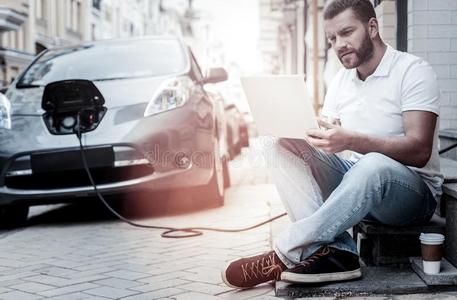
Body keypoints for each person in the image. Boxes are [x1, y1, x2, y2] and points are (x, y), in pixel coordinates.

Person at [222, 0, 443, 289]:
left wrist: (352, 140)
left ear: (372, 27)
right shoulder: (341, 80)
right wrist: (311, 134)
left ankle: (286, 251)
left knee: (372, 164)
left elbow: (419, 150)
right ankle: (339, 253)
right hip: (357, 182)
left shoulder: (413, 70)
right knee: (279, 144)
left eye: (347, 32)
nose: (339, 44)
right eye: (332, 38)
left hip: (412, 196)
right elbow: (327, 139)